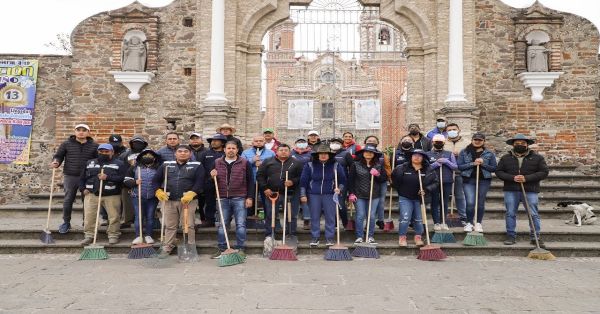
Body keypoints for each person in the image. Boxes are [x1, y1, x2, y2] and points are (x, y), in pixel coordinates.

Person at [496, 134, 549, 247]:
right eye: (517, 143)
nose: (520, 145)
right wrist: (512, 178)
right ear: (513, 144)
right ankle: (511, 236)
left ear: (527, 144)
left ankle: (535, 236)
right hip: (511, 189)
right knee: (510, 213)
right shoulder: (506, 158)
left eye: (522, 143)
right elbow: (499, 172)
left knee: (533, 214)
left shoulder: (537, 158)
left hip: (530, 189)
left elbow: (544, 172)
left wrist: (527, 178)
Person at [153, 145, 204, 257]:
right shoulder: (166, 165)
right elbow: (156, 180)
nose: (182, 153)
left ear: (190, 154)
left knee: (188, 225)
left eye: (186, 151)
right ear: (175, 154)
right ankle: (168, 246)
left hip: (188, 200)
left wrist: (193, 192)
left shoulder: (197, 165)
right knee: (170, 225)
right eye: (180, 151)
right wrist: (158, 191)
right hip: (169, 200)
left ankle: (190, 246)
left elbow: (200, 182)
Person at [51, 124, 98, 234]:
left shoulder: (94, 146)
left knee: (87, 201)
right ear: (75, 131)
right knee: (68, 200)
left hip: (87, 177)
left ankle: (86, 222)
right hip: (70, 175)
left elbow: (97, 160)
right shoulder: (66, 144)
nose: (81, 132)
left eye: (84, 130)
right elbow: (58, 155)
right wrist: (56, 161)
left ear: (88, 132)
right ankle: (66, 222)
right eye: (78, 130)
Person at [210, 141, 254, 257]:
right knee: (222, 224)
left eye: (233, 148)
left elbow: (250, 181)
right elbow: (211, 181)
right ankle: (222, 248)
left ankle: (240, 248)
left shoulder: (245, 162)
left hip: (239, 197)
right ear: (224, 150)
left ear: (237, 150)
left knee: (240, 224)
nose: (231, 150)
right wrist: (211, 176)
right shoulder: (217, 162)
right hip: (222, 197)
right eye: (228, 148)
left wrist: (249, 197)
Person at [79, 144, 127, 245]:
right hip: (92, 194)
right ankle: (89, 235)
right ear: (98, 152)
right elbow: (82, 177)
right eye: (101, 151)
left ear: (112, 152)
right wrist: (83, 188)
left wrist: (108, 177)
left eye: (106, 151)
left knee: (114, 216)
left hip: (112, 194)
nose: (103, 153)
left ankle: (113, 235)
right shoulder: (89, 163)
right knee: (89, 216)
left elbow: (123, 178)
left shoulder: (119, 164)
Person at [300, 145, 346, 247]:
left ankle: (329, 238)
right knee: (315, 217)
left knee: (330, 217)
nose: (323, 156)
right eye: (321, 154)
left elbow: (342, 180)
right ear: (317, 155)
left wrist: (339, 189)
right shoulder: (310, 165)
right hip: (313, 194)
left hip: (330, 194)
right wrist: (303, 194)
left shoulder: (336, 165)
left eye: (326, 154)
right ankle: (315, 237)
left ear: (329, 155)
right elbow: (303, 181)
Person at [392, 149, 438, 247]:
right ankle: (402, 237)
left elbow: (435, 183)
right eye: (414, 155)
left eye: (419, 156)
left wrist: (426, 189)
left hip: (420, 199)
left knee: (419, 219)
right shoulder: (402, 168)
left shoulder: (428, 169)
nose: (417, 157)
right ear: (411, 157)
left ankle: (418, 237)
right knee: (405, 218)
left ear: (423, 158)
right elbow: (394, 179)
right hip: (405, 197)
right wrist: (400, 190)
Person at [256, 144, 304, 238]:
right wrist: (265, 188)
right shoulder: (268, 161)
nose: (283, 152)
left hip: (290, 193)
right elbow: (260, 175)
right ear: (276, 151)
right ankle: (270, 234)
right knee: (270, 214)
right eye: (281, 150)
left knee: (291, 215)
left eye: (286, 150)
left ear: (289, 152)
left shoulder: (296, 163)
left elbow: (302, 177)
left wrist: (292, 181)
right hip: (272, 193)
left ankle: (291, 234)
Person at [457, 133, 497, 233]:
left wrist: (483, 164)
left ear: (484, 141)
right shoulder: (464, 152)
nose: (477, 141)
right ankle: (469, 222)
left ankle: (478, 222)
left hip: (484, 180)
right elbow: (460, 166)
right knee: (470, 202)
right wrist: (473, 163)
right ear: (472, 140)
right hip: (468, 180)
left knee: (480, 202)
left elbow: (494, 168)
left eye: (480, 140)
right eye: (475, 139)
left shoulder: (489, 154)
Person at [347, 145, 387, 244]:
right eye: (366, 152)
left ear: (374, 154)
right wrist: (351, 193)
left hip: (374, 195)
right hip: (359, 194)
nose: (368, 154)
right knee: (360, 215)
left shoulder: (378, 165)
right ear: (362, 153)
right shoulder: (355, 165)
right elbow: (350, 180)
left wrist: (377, 175)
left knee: (372, 216)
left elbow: (383, 179)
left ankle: (370, 236)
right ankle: (359, 236)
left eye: (371, 152)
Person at [123, 149, 161, 244]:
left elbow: (162, 180)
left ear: (154, 157)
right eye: (145, 155)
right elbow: (126, 180)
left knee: (150, 216)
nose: (148, 156)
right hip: (137, 196)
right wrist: (134, 182)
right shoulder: (134, 168)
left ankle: (148, 235)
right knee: (138, 216)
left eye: (150, 155)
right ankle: (138, 236)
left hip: (153, 197)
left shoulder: (158, 168)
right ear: (141, 157)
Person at [427, 134, 458, 230]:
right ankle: (436, 222)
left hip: (447, 180)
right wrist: (436, 164)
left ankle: (443, 221)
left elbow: (455, 167)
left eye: (440, 142)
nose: (438, 144)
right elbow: (426, 168)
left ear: (444, 143)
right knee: (435, 202)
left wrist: (446, 162)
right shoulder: (428, 154)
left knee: (444, 202)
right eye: (436, 142)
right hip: (434, 181)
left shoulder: (449, 154)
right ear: (433, 142)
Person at [196, 133, 227, 228]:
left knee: (225, 201)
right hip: (208, 182)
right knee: (209, 201)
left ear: (222, 143)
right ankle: (209, 220)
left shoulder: (226, 153)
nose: (213, 142)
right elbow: (200, 168)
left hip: (224, 182)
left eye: (216, 140)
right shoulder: (205, 154)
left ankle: (226, 220)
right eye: (212, 141)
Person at [241, 135, 275, 217]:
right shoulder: (246, 153)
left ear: (264, 142)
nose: (258, 142)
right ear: (252, 142)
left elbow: (275, 166)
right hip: (251, 181)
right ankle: (249, 218)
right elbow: (241, 165)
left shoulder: (271, 153)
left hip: (265, 181)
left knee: (266, 201)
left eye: (261, 141)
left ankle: (268, 219)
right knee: (250, 199)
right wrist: (252, 161)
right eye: (256, 141)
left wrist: (263, 165)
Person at [364, 135, 391, 230]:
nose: (371, 142)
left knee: (381, 201)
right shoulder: (362, 154)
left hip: (380, 180)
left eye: (374, 141)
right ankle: (369, 222)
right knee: (369, 203)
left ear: (377, 143)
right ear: (365, 142)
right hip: (366, 181)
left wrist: (389, 178)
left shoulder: (383, 155)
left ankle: (381, 220)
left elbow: (387, 167)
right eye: (369, 140)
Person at [443, 123, 469, 225]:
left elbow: (471, 156)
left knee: (459, 195)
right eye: (449, 130)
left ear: (459, 130)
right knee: (444, 196)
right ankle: (443, 217)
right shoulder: (442, 142)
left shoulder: (467, 143)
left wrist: (461, 155)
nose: (452, 131)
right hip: (446, 172)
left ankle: (463, 217)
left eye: (454, 129)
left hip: (460, 173)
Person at [108, 134, 133, 228]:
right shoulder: (107, 151)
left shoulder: (127, 152)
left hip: (123, 178)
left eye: (117, 143)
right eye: (113, 143)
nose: (115, 145)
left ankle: (125, 220)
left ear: (121, 143)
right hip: (111, 178)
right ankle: (109, 219)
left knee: (124, 201)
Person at [329, 137, 354, 228]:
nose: (334, 144)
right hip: (329, 182)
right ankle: (334, 223)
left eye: (337, 142)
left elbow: (352, 166)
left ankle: (345, 222)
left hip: (341, 182)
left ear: (341, 144)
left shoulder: (346, 154)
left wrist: (350, 178)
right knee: (331, 204)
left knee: (341, 203)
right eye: (333, 142)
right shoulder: (327, 153)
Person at [291, 138, 313, 229]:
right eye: (299, 142)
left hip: (308, 178)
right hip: (294, 179)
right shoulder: (291, 153)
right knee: (295, 200)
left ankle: (307, 220)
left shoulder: (311, 153)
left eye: (303, 142)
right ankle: (293, 221)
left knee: (305, 199)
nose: (301, 144)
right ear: (295, 143)